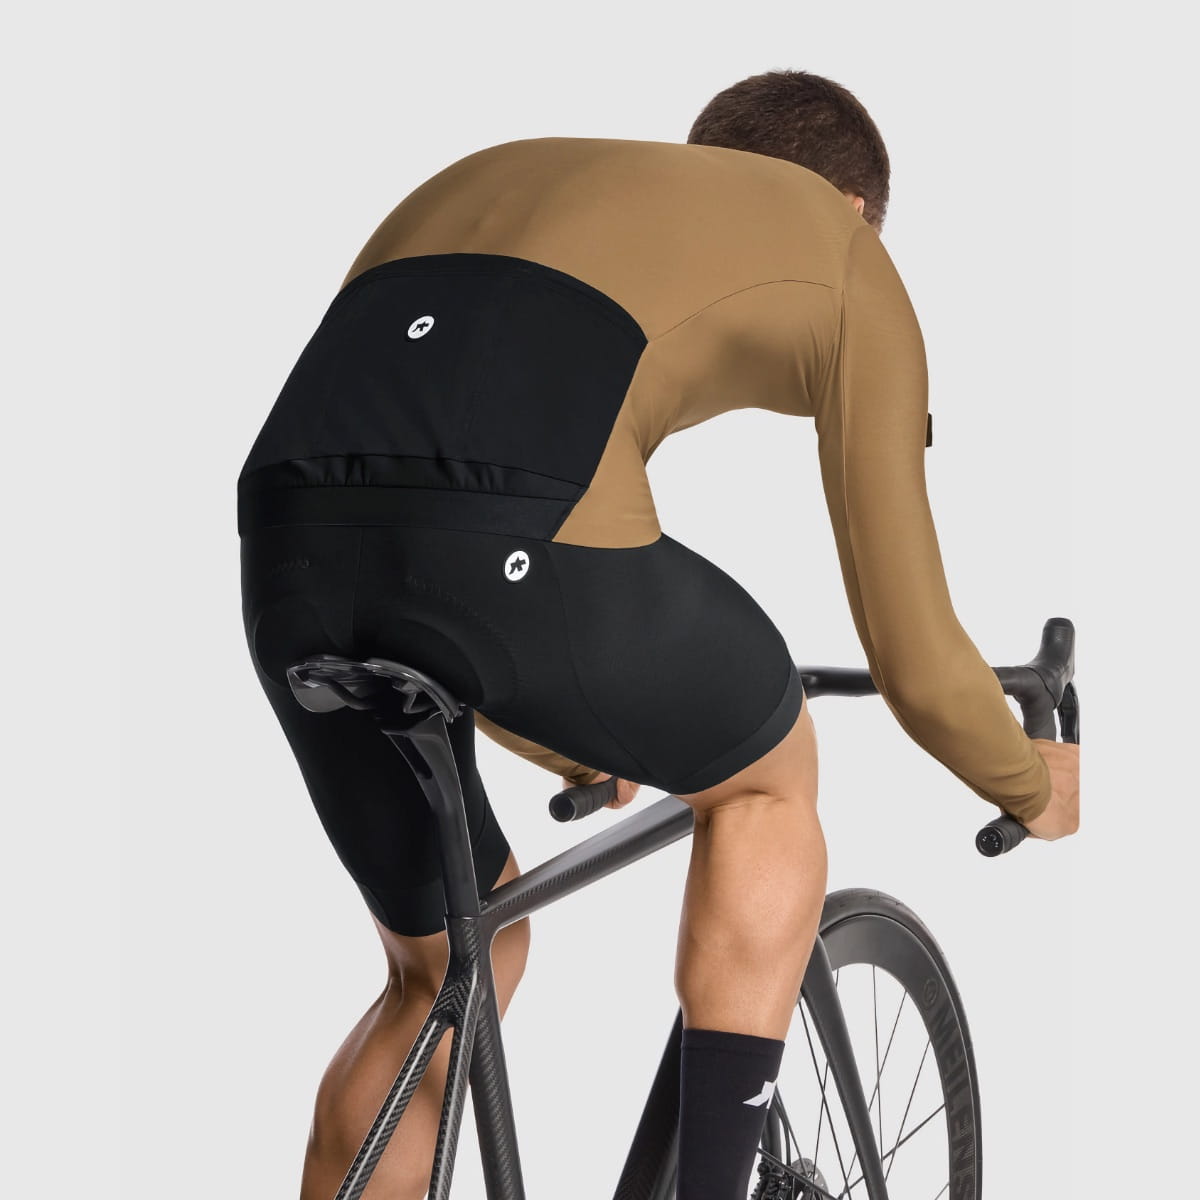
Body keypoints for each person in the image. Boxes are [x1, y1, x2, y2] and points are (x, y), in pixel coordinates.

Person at [237, 69, 1080, 1200]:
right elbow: (917, 660)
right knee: (767, 776)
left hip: (285, 558)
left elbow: (426, 502)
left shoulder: (506, 174)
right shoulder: (838, 246)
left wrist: (572, 739)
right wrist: (1028, 781)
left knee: (448, 970)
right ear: (853, 207)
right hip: (515, 550)